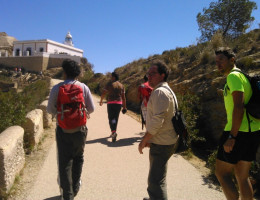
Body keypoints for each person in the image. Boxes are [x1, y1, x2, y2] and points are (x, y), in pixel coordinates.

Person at [214, 47, 260, 200]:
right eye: (216, 61)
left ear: (232, 60)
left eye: (221, 59)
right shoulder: (244, 76)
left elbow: (238, 107)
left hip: (237, 132)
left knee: (221, 173)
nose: (218, 63)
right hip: (253, 131)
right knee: (242, 175)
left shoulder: (233, 77)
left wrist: (232, 136)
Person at [47, 59, 95, 200]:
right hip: (80, 130)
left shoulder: (57, 88)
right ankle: (75, 189)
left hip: (62, 130)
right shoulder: (83, 87)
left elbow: (50, 109)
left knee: (64, 162)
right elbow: (92, 108)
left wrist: (61, 113)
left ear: (65, 72)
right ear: (78, 73)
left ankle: (67, 196)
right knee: (78, 158)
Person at [138, 60, 178, 200]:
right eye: (148, 74)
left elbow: (157, 121)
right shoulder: (166, 90)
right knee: (158, 176)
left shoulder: (160, 92)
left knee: (155, 181)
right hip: (165, 140)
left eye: (153, 74)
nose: (149, 76)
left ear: (162, 75)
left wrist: (145, 139)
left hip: (162, 143)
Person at [99, 71, 127, 142]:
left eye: (111, 76)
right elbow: (123, 97)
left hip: (111, 103)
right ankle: (114, 131)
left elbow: (103, 93)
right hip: (118, 103)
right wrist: (124, 107)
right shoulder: (121, 85)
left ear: (114, 77)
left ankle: (113, 131)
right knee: (115, 118)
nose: (110, 78)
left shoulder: (109, 84)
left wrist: (101, 100)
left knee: (111, 118)